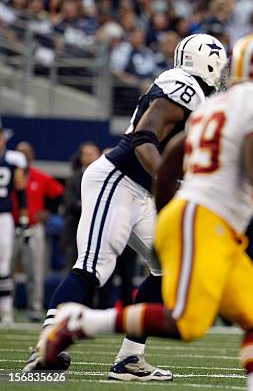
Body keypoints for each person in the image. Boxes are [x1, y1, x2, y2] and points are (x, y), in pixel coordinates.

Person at [35, 32, 253, 391]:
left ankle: (128, 356)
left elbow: (173, 157)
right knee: (182, 318)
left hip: (189, 212)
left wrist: (166, 210)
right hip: (179, 208)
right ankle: (76, 324)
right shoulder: (230, 98)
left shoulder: (214, 104)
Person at [24, 34, 228, 381]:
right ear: (205, 63)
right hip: (117, 180)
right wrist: (174, 182)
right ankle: (47, 347)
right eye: (218, 67)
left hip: (143, 192)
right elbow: (142, 140)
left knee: (169, 266)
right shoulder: (180, 84)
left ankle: (130, 359)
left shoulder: (199, 98)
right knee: (93, 267)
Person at [12, 142, 64, 322]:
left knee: (35, 270)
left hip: (34, 226)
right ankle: (6, 309)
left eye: (27, 152)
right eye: (20, 153)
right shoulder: (8, 174)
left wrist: (48, 211)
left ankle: (34, 308)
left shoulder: (40, 177)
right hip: (10, 225)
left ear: (32, 155)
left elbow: (58, 192)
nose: (24, 156)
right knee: (6, 270)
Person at [0, 125, 28, 323]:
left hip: (4, 216)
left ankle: (6, 310)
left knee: (3, 264)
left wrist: (24, 217)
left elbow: (20, 189)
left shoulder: (13, 159)